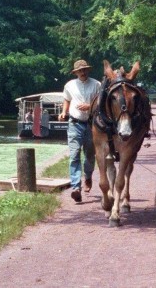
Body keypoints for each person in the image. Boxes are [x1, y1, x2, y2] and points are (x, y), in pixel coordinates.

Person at [58, 59, 101, 203]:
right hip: (74, 124)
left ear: (88, 70)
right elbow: (66, 100)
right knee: (74, 154)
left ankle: (88, 177)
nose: (82, 72)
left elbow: (101, 105)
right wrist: (64, 112)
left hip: (91, 124)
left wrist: (90, 106)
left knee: (89, 155)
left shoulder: (97, 85)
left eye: (85, 70)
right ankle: (76, 187)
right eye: (80, 71)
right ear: (75, 72)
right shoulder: (69, 85)